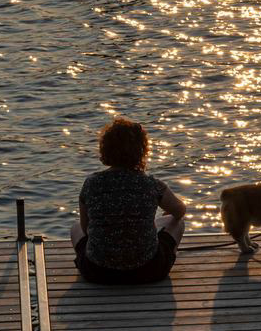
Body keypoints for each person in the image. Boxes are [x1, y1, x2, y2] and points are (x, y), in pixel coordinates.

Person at [71, 116, 187, 284]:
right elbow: (180, 211)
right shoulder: (152, 185)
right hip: (148, 270)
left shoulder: (91, 184)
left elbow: (86, 229)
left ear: (105, 149)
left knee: (75, 227)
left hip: (98, 272)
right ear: (142, 151)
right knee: (177, 222)